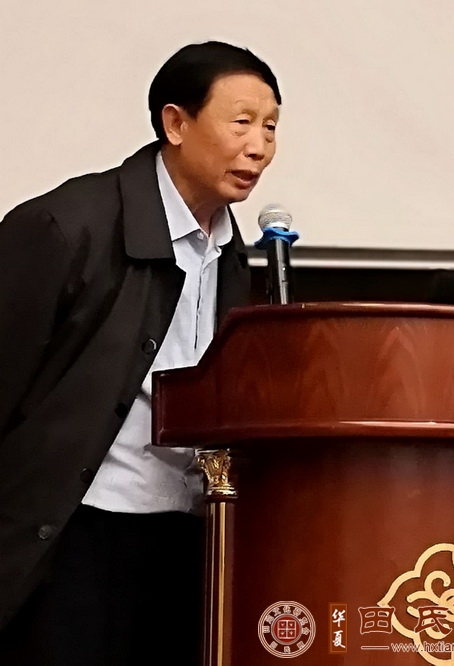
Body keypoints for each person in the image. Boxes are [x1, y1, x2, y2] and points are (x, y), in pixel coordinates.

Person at [0, 40, 281, 665]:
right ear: (175, 124)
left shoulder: (231, 255)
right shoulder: (66, 227)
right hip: (71, 534)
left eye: (270, 127)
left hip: (183, 533)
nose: (259, 146)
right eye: (241, 122)